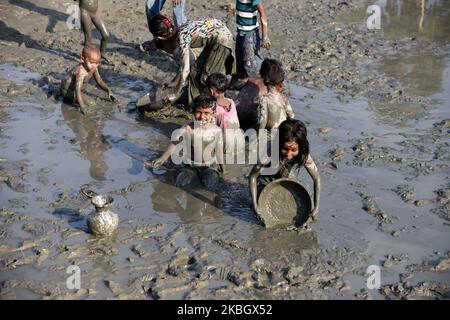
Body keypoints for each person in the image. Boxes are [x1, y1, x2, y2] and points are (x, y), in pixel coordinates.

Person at [148, 15, 235, 108]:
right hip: (215, 37)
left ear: (162, 37)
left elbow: (185, 70)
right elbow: (188, 69)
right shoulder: (180, 27)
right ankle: (193, 106)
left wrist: (174, 93)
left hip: (222, 41)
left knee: (207, 78)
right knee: (195, 71)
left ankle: (211, 108)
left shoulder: (182, 37)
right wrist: (174, 82)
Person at [146, 95, 224, 191]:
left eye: (206, 113)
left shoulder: (216, 131)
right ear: (193, 112)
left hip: (209, 166)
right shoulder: (187, 129)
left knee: (211, 185)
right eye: (198, 112)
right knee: (181, 182)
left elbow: (219, 151)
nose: (202, 117)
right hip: (190, 166)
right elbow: (174, 144)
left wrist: (222, 168)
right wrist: (162, 158)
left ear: (213, 114)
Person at [249, 119, 321, 222]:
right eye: (285, 149)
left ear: (300, 147)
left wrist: (316, 207)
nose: (288, 154)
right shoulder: (269, 150)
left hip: (285, 173)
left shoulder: (303, 153)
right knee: (261, 209)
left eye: (293, 150)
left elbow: (317, 178)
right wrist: (254, 205)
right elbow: (253, 176)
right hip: (265, 176)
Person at [60, 44, 117, 115]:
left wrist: (108, 90)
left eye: (97, 63)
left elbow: (99, 81)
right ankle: (70, 100)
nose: (95, 65)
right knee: (91, 103)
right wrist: (82, 106)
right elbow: (77, 90)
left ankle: (80, 99)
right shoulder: (81, 71)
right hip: (69, 91)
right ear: (83, 59)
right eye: (92, 62)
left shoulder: (94, 67)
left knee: (91, 98)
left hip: (78, 89)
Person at [235, 0, 270, 78]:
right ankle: (242, 80)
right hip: (240, 32)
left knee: (250, 62)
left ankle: (261, 82)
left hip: (250, 34)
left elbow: (263, 14)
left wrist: (265, 36)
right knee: (240, 62)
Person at [257, 59, 294, 133]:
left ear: (265, 81)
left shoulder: (264, 99)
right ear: (280, 83)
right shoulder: (284, 98)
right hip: (284, 129)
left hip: (272, 131)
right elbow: (291, 115)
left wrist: (258, 134)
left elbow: (263, 121)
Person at [234, 57, 272, 129]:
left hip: (236, 110)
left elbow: (236, 85)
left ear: (261, 70)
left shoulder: (252, 79)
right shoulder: (269, 88)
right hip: (249, 117)